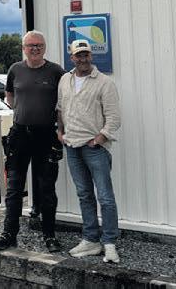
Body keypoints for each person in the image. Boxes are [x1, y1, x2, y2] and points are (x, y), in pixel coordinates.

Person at [0, 30, 65, 252]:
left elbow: (64, 102)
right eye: (31, 45)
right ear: (23, 48)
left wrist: (61, 130)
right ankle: (9, 234)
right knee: (14, 188)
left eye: (39, 45)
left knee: (46, 188)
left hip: (46, 135)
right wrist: (22, 111)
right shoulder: (15, 69)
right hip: (20, 134)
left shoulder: (56, 71)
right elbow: (10, 95)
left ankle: (49, 236)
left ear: (44, 48)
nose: (35, 49)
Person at [57, 39, 121, 263]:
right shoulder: (65, 80)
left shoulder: (104, 82)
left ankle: (110, 243)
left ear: (91, 56)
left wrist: (100, 138)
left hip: (95, 149)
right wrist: (60, 132)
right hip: (72, 146)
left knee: (105, 197)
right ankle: (91, 240)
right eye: (78, 55)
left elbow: (114, 118)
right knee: (84, 195)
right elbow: (60, 108)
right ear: (72, 58)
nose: (82, 59)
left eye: (86, 54)